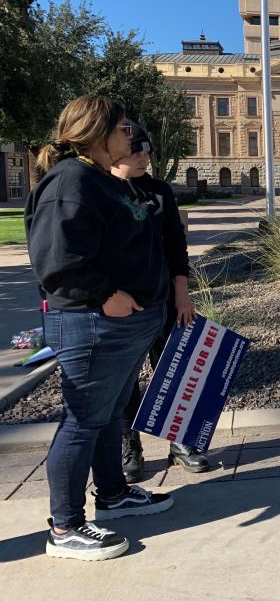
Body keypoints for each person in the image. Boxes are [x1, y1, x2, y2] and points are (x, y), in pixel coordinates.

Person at [26, 96, 175, 561]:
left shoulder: (101, 179)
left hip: (123, 327)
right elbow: (58, 259)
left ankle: (113, 494)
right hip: (92, 324)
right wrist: (108, 295)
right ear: (95, 132)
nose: (131, 136)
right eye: (122, 128)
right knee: (83, 421)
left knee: (109, 416)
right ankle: (65, 527)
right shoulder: (70, 180)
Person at [109, 124, 208, 482]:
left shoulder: (159, 191)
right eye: (136, 150)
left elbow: (175, 245)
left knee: (174, 369)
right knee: (124, 380)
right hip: (120, 305)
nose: (143, 156)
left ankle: (181, 441)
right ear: (114, 149)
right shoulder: (102, 189)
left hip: (164, 298)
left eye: (147, 150)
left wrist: (182, 291)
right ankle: (128, 445)